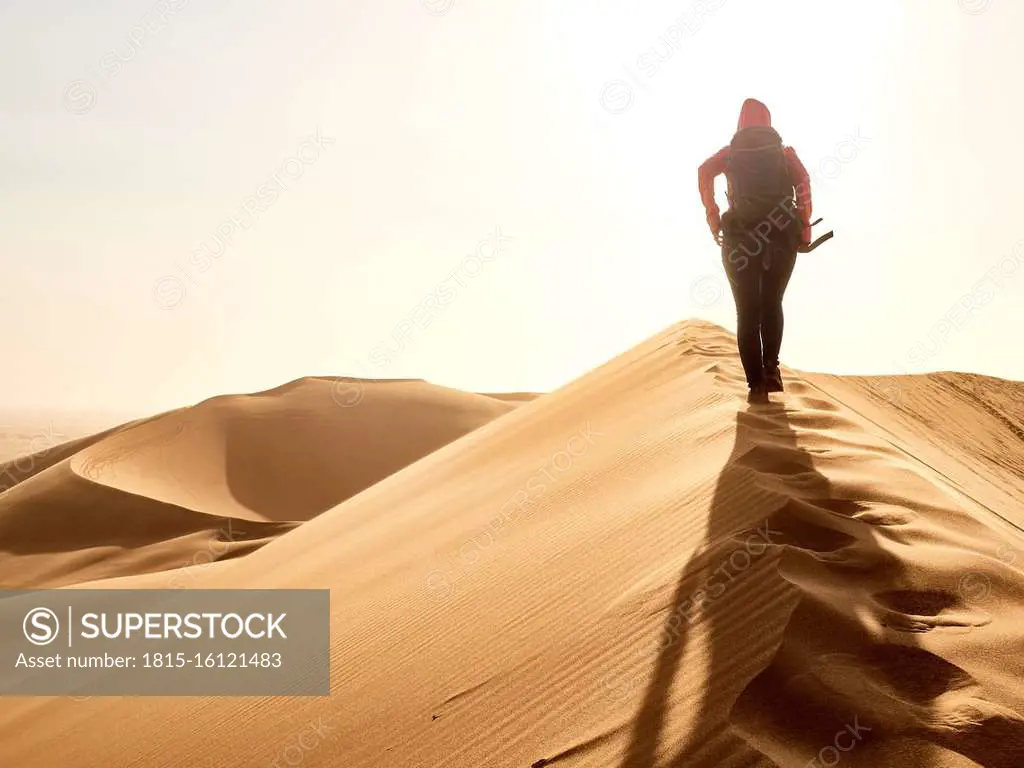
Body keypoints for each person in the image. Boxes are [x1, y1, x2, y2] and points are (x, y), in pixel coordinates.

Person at [697, 98, 812, 402]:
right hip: (782, 235)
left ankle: (755, 386)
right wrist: (804, 226)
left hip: (740, 236)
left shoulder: (731, 154)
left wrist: (713, 215)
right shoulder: (785, 154)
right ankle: (771, 369)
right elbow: (804, 182)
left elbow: (704, 171)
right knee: (772, 303)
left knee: (747, 312)